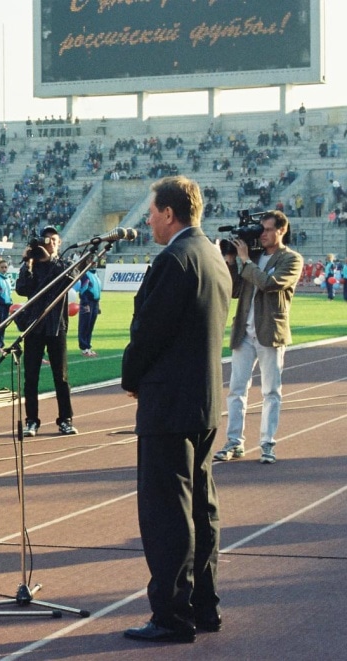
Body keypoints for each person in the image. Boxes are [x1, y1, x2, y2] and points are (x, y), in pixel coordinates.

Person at [121, 175, 230, 643]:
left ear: (170, 213)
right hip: (204, 401)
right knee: (201, 506)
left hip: (168, 403)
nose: (148, 220)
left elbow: (149, 331)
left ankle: (171, 614)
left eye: (152, 212)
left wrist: (130, 379)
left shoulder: (175, 259)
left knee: (167, 512)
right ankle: (204, 604)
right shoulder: (214, 256)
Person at [214, 210, 303, 464]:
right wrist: (231, 261)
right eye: (260, 229)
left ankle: (267, 444)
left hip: (270, 332)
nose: (262, 234)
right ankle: (234, 441)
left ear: (281, 230)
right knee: (236, 390)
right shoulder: (250, 257)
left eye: (267, 229)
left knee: (271, 391)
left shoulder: (292, 259)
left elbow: (269, 283)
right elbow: (233, 290)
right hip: (244, 330)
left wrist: (246, 261)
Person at [15, 226, 78, 436]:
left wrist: (49, 259)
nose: (50, 242)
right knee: (31, 377)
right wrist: (28, 262)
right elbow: (22, 288)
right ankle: (31, 420)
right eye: (47, 239)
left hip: (56, 326)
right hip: (34, 326)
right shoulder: (33, 265)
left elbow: (71, 277)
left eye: (54, 239)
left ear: (59, 243)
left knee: (61, 377)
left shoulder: (64, 263)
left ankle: (65, 419)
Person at [74, 270, 102, 357]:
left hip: (95, 302)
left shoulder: (95, 274)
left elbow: (97, 290)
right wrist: (85, 303)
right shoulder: (85, 274)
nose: (95, 263)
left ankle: (88, 347)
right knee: (84, 325)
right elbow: (83, 290)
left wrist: (98, 304)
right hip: (87, 302)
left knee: (90, 326)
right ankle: (84, 348)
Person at [0, 259, 13, 355]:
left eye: (5, 267)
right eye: (2, 267)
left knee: (3, 326)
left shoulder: (7, 279)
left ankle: (1, 345)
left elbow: (9, 293)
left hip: (6, 305)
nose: (4, 269)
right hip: (0, 305)